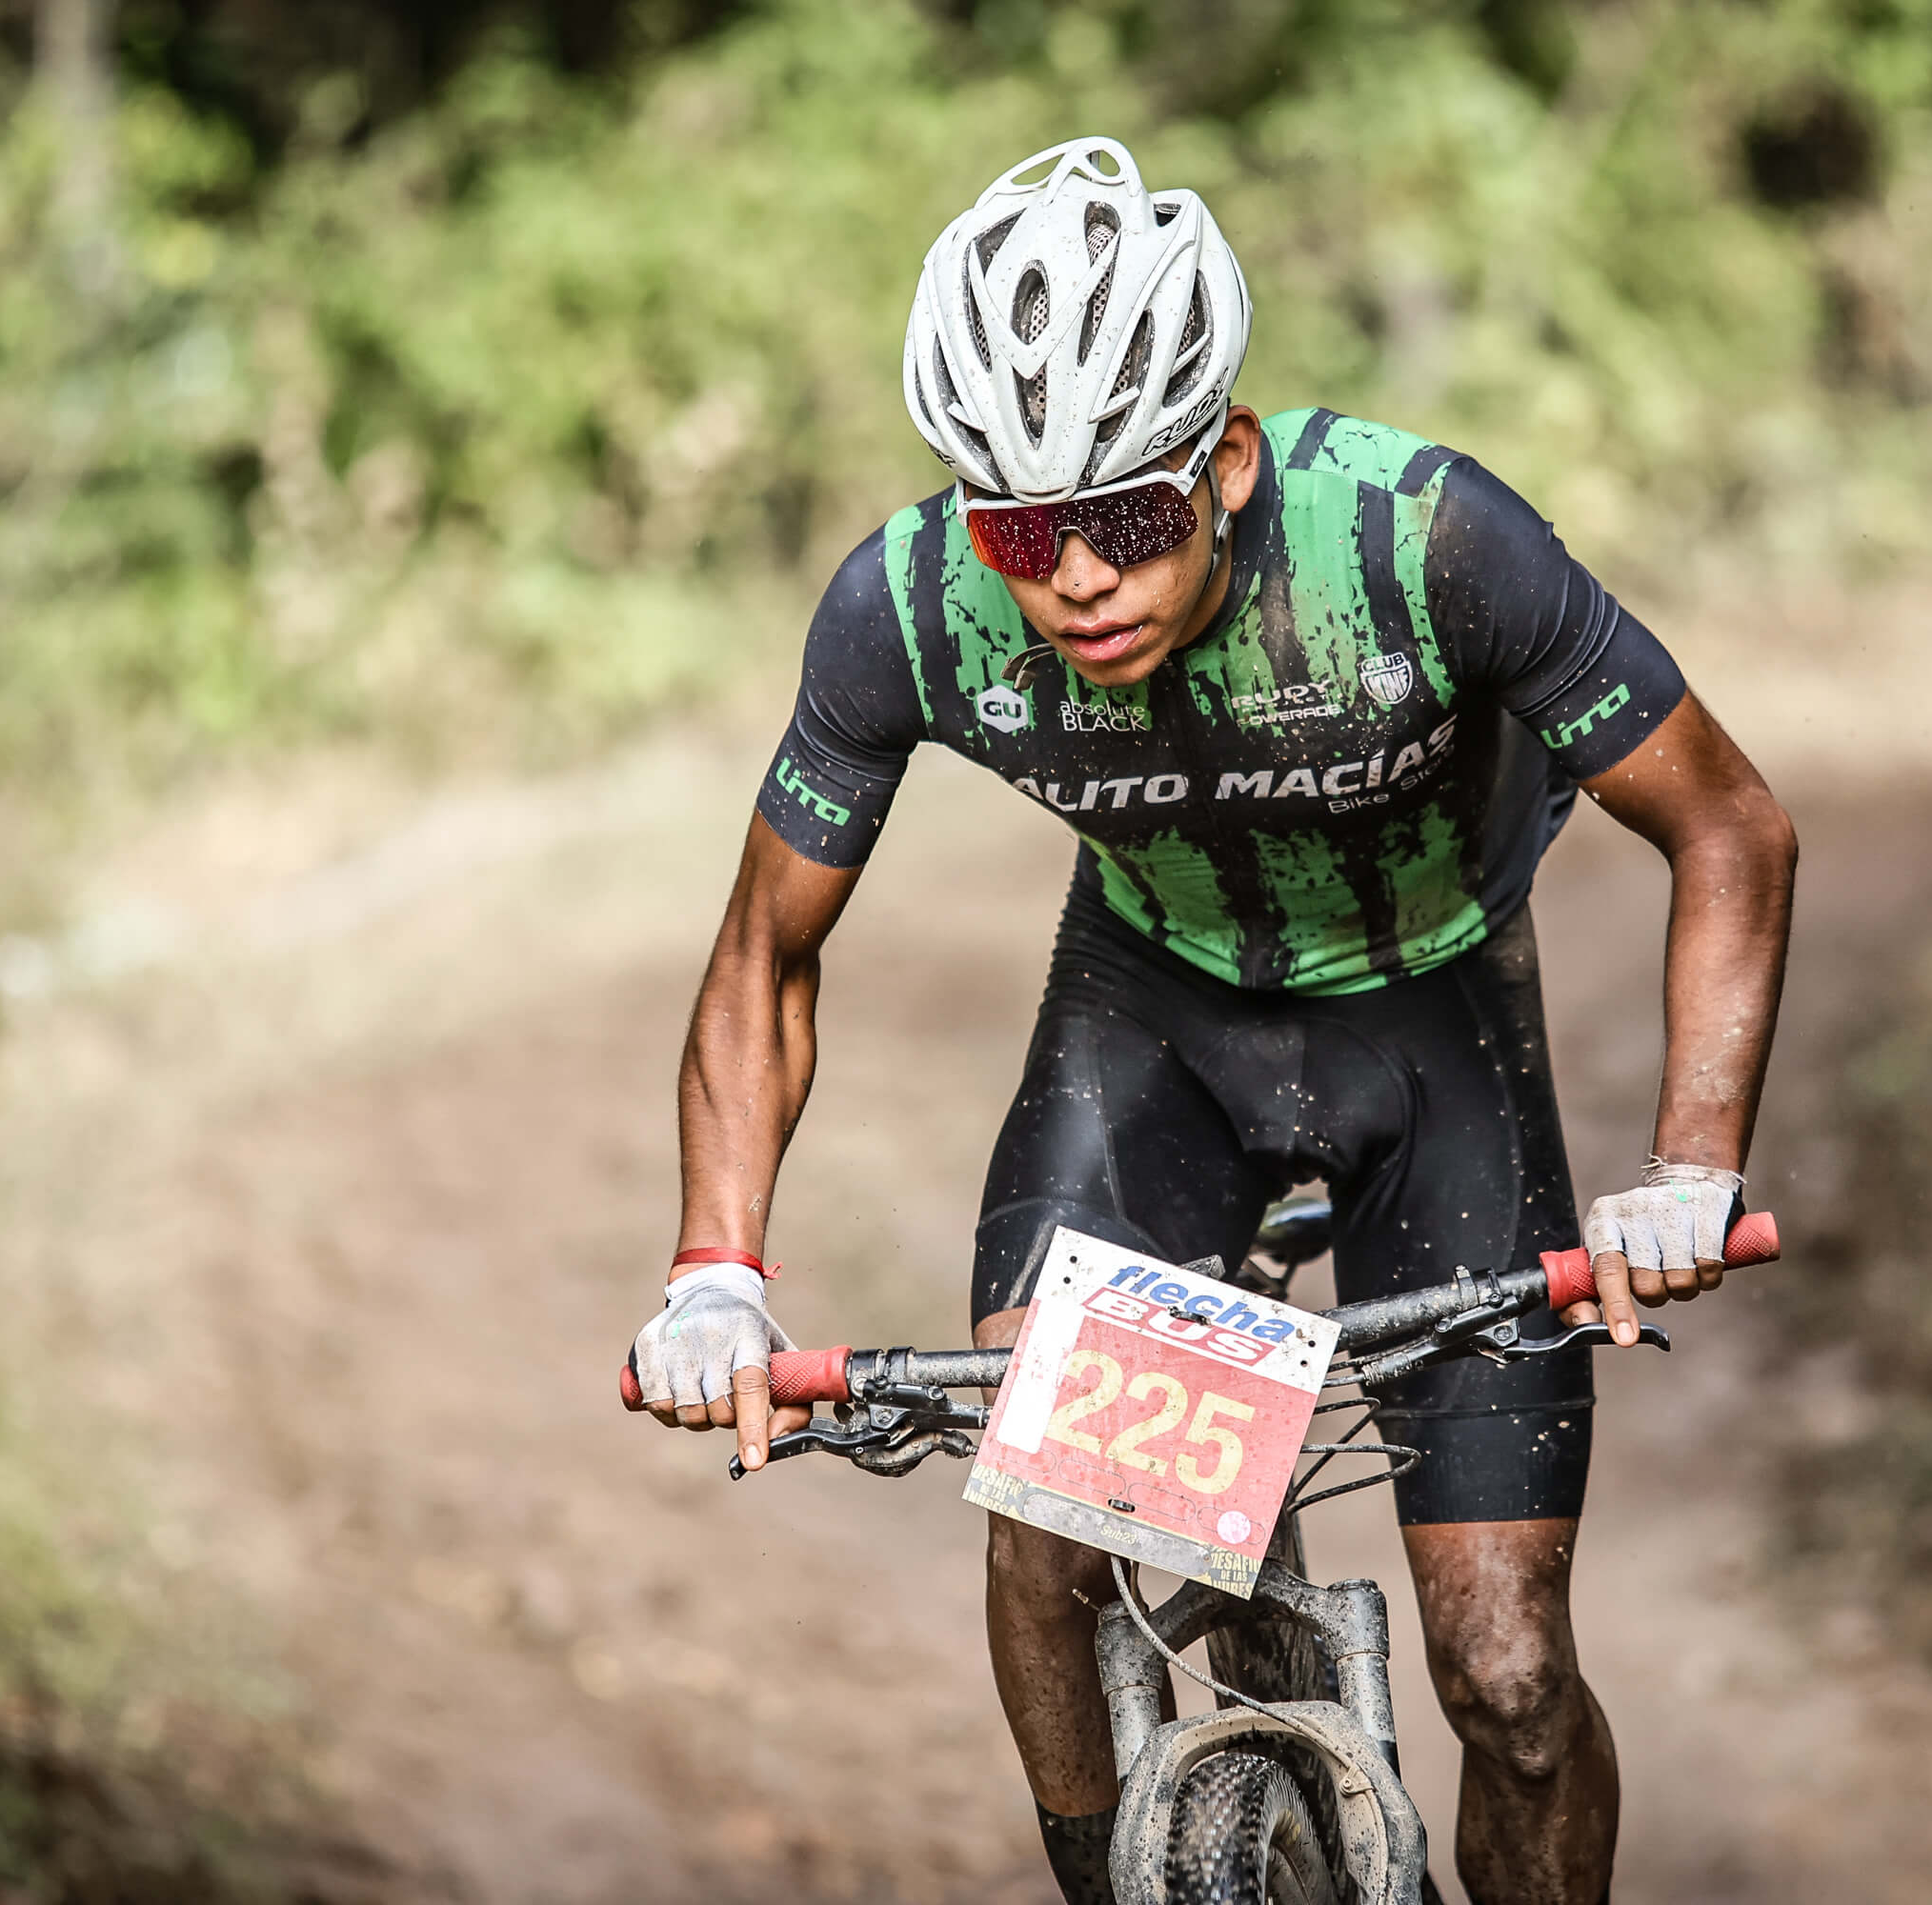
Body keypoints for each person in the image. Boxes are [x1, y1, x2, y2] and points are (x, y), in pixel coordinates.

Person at [629, 137, 1796, 1905]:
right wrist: (716, 1269)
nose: (1076, 579)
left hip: (1432, 1029)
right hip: (1153, 1032)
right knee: (1057, 1521)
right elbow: (764, 953)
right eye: (1024, 533)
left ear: (1227, 463)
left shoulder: (1418, 539)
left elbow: (1729, 824)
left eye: (1124, 519)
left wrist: (1692, 1166)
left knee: (1507, 1675)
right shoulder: (913, 607)